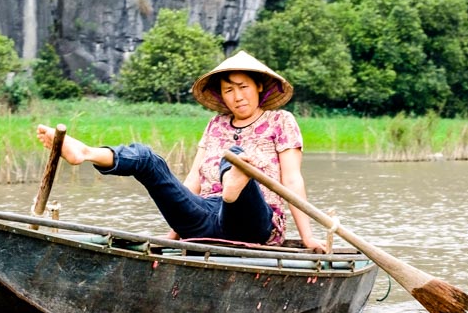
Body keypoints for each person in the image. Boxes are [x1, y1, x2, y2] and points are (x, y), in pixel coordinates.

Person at [36, 50, 328, 252]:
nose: (237, 96)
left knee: (236, 159)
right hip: (208, 219)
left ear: (259, 87)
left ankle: (235, 185)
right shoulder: (215, 125)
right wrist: (173, 236)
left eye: (243, 87)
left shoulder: (281, 121)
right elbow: (192, 183)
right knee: (149, 161)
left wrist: (308, 238)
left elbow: (292, 181)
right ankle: (87, 152)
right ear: (221, 96)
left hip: (257, 223)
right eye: (228, 90)